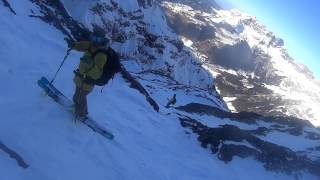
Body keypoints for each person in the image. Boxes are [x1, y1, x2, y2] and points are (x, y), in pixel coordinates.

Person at [67, 26, 110, 121]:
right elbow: (82, 45)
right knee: (77, 96)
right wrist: (73, 45)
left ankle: (81, 114)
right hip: (81, 78)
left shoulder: (101, 54)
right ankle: (78, 108)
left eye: (98, 39)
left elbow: (98, 73)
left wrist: (90, 64)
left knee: (80, 97)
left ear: (102, 40)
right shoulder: (91, 45)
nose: (95, 41)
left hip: (87, 81)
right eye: (94, 38)